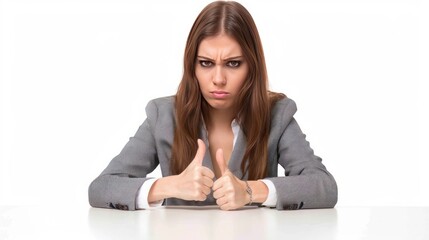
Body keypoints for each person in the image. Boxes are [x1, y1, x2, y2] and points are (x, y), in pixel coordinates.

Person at [88, 1, 338, 211]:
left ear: (252, 66)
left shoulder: (277, 114)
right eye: (206, 63)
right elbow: (101, 187)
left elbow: (324, 186)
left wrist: (251, 191)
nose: (218, 79)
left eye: (233, 63)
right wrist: (169, 186)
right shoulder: (163, 115)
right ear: (192, 66)